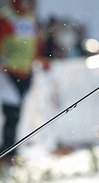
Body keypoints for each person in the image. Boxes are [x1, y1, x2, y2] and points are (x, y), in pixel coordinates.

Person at [0, 0, 46, 166]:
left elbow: (36, 44)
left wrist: (40, 59)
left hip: (26, 72)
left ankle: (11, 151)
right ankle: (6, 153)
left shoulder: (32, 18)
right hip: (8, 74)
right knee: (11, 114)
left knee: (17, 114)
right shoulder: (6, 18)